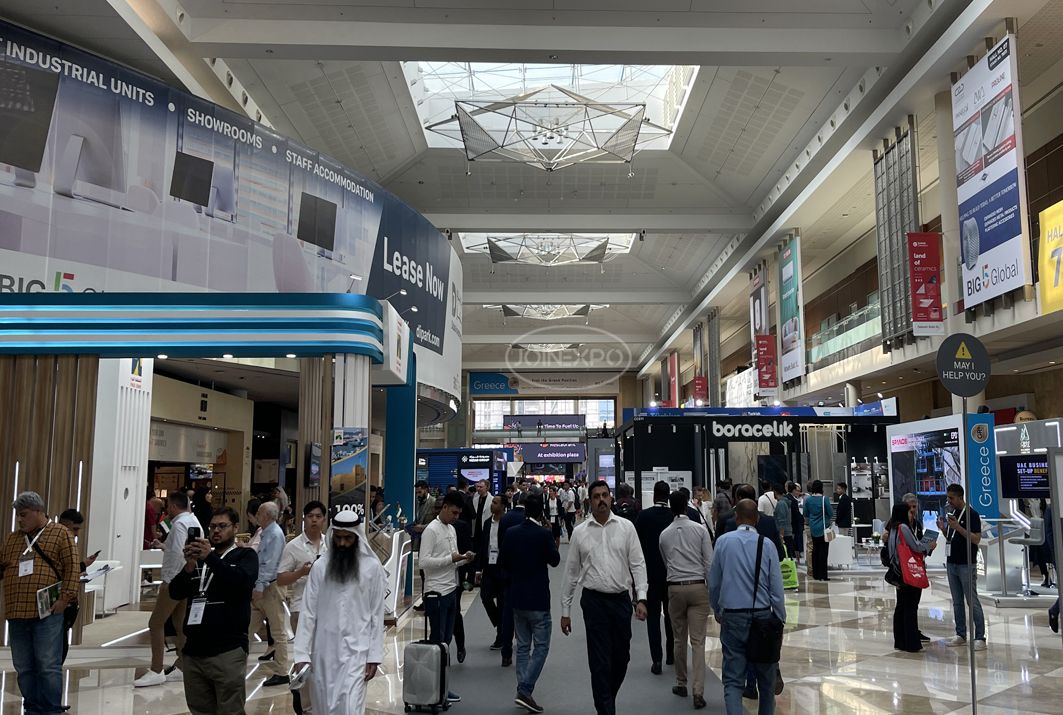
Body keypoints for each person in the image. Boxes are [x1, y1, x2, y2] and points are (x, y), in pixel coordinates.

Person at [560, 480, 649, 715]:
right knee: (599, 663)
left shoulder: (626, 528)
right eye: (596, 496)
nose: (601, 500)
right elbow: (571, 573)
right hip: (594, 602)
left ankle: (607, 699)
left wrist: (641, 598)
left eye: (605, 495)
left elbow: (638, 564)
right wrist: (565, 611)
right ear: (589, 501)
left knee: (621, 658)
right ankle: (606, 710)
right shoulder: (580, 532)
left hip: (621, 601)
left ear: (611, 498)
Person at [294, 509, 386, 715]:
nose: (342, 543)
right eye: (338, 538)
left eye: (348, 538)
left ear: (357, 537)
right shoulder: (320, 567)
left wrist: (374, 655)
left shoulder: (372, 568)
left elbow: (376, 615)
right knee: (324, 708)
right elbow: (308, 612)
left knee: (351, 708)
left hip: (357, 654)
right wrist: (301, 654)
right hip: (323, 654)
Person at [169, 506, 258, 714]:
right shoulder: (198, 561)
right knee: (199, 709)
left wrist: (210, 558)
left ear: (235, 528)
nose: (216, 530)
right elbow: (175, 592)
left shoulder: (244, 555)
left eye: (222, 526)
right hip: (194, 651)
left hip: (227, 650)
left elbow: (241, 583)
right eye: (212, 527)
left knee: (230, 710)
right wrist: (189, 566)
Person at [1, 492, 79, 714]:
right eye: (18, 515)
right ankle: (33, 708)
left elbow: (72, 568)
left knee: (47, 665)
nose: (19, 519)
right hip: (17, 612)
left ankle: (51, 709)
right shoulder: (13, 539)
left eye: (24, 514)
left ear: (38, 511)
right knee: (23, 666)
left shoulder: (60, 533)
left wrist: (64, 599)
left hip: (47, 612)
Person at [709, 499, 786, 715]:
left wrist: (717, 608)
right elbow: (776, 588)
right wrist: (780, 618)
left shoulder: (723, 542)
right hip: (762, 618)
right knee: (766, 682)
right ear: (757, 519)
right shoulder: (767, 545)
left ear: (737, 518)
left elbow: (714, 582)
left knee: (733, 680)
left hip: (732, 616)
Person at [500, 494, 560, 713]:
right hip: (538, 598)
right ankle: (525, 689)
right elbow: (555, 560)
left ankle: (522, 688)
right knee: (541, 646)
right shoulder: (543, 534)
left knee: (523, 646)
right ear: (541, 511)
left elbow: (503, 562)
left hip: (517, 597)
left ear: (525, 510)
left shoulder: (511, 533)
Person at [135, 490, 199, 687]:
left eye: (167, 506)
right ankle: (183, 665)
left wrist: (171, 581)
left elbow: (180, 553)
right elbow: (182, 549)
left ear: (173, 506)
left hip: (175, 581)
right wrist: (165, 547)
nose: (166, 510)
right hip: (188, 580)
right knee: (180, 624)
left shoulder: (178, 524)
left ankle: (156, 669)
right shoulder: (194, 521)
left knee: (156, 623)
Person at [659, 490, 714, 710]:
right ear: (686, 506)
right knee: (698, 641)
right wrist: (712, 590)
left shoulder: (664, 535)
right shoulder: (700, 530)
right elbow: (709, 562)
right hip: (698, 586)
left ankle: (681, 682)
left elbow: (666, 562)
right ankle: (698, 691)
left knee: (679, 639)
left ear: (671, 507)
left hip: (675, 587)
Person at [419, 490, 474, 703]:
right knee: (437, 642)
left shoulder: (451, 529)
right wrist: (451, 558)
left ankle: (442, 687)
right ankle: (435, 689)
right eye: (454, 512)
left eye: (459, 513)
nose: (456, 517)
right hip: (436, 593)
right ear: (444, 507)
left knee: (446, 641)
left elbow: (452, 560)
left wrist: (464, 559)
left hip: (451, 590)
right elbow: (424, 562)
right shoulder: (431, 531)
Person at [937, 483, 986, 650]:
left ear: (960, 497)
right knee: (957, 601)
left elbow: (976, 539)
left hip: (966, 563)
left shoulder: (972, 514)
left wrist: (958, 527)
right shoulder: (953, 514)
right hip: (952, 562)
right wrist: (944, 529)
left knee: (972, 600)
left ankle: (980, 637)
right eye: (948, 497)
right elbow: (951, 537)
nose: (949, 501)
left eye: (951, 498)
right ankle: (960, 634)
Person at [634, 481, 676, 675]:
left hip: (649, 573)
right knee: (671, 615)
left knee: (652, 618)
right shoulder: (673, 516)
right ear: (668, 495)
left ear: (654, 496)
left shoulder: (644, 516)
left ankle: (656, 660)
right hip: (672, 573)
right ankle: (671, 654)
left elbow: (636, 545)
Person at [250, 501, 292, 686]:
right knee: (247, 629)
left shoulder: (274, 534)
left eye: (259, 512)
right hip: (262, 587)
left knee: (278, 632)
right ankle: (234, 665)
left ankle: (282, 672)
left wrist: (259, 587)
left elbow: (270, 564)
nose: (257, 515)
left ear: (266, 515)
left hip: (270, 588)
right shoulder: (267, 532)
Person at [885, 503, 931, 653]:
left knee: (901, 607)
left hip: (898, 571)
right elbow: (916, 546)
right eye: (908, 511)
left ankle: (900, 641)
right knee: (910, 607)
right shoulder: (903, 528)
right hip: (908, 572)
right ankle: (912, 643)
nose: (911, 513)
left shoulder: (892, 528)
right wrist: (928, 546)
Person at [278, 500, 328, 633]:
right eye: (310, 516)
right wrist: (300, 572)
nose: (314, 520)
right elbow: (281, 579)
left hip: (327, 608)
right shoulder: (293, 546)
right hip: (301, 607)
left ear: (324, 520)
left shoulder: (330, 545)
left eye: (318, 516)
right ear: (304, 519)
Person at [57, 509, 98, 664]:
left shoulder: (69, 544)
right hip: (58, 602)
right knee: (57, 648)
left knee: (61, 645)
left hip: (66, 604)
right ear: (65, 524)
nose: (76, 534)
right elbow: (59, 573)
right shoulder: (57, 543)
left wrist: (83, 565)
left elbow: (67, 569)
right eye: (74, 529)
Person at [475, 495, 508, 649]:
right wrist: (478, 569)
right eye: (492, 502)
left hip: (502, 566)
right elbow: (483, 545)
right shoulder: (487, 523)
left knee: (502, 602)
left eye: (495, 503)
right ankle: (500, 624)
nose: (492, 505)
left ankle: (501, 635)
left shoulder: (507, 523)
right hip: (489, 565)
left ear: (503, 506)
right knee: (485, 597)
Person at [804, 480, 833, 581]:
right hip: (824, 528)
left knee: (815, 550)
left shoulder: (808, 500)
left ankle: (815, 574)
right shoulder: (824, 499)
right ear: (821, 488)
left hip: (813, 528)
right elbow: (830, 513)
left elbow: (805, 514)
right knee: (823, 552)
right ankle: (823, 575)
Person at [772, 485, 795, 561]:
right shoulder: (786, 502)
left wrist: (781, 536)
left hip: (784, 533)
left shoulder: (781, 503)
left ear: (775, 492)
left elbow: (782, 521)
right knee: (788, 555)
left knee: (784, 556)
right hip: (788, 531)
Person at [467, 480, 493, 544]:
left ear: (487, 488)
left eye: (481, 487)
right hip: (476, 530)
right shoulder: (474, 499)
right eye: (477, 487)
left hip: (486, 529)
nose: (478, 489)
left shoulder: (492, 500)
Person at [785, 482, 805, 564]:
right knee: (795, 542)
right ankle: (796, 559)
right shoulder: (793, 500)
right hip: (794, 524)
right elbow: (796, 514)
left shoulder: (785, 498)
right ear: (793, 490)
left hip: (786, 523)